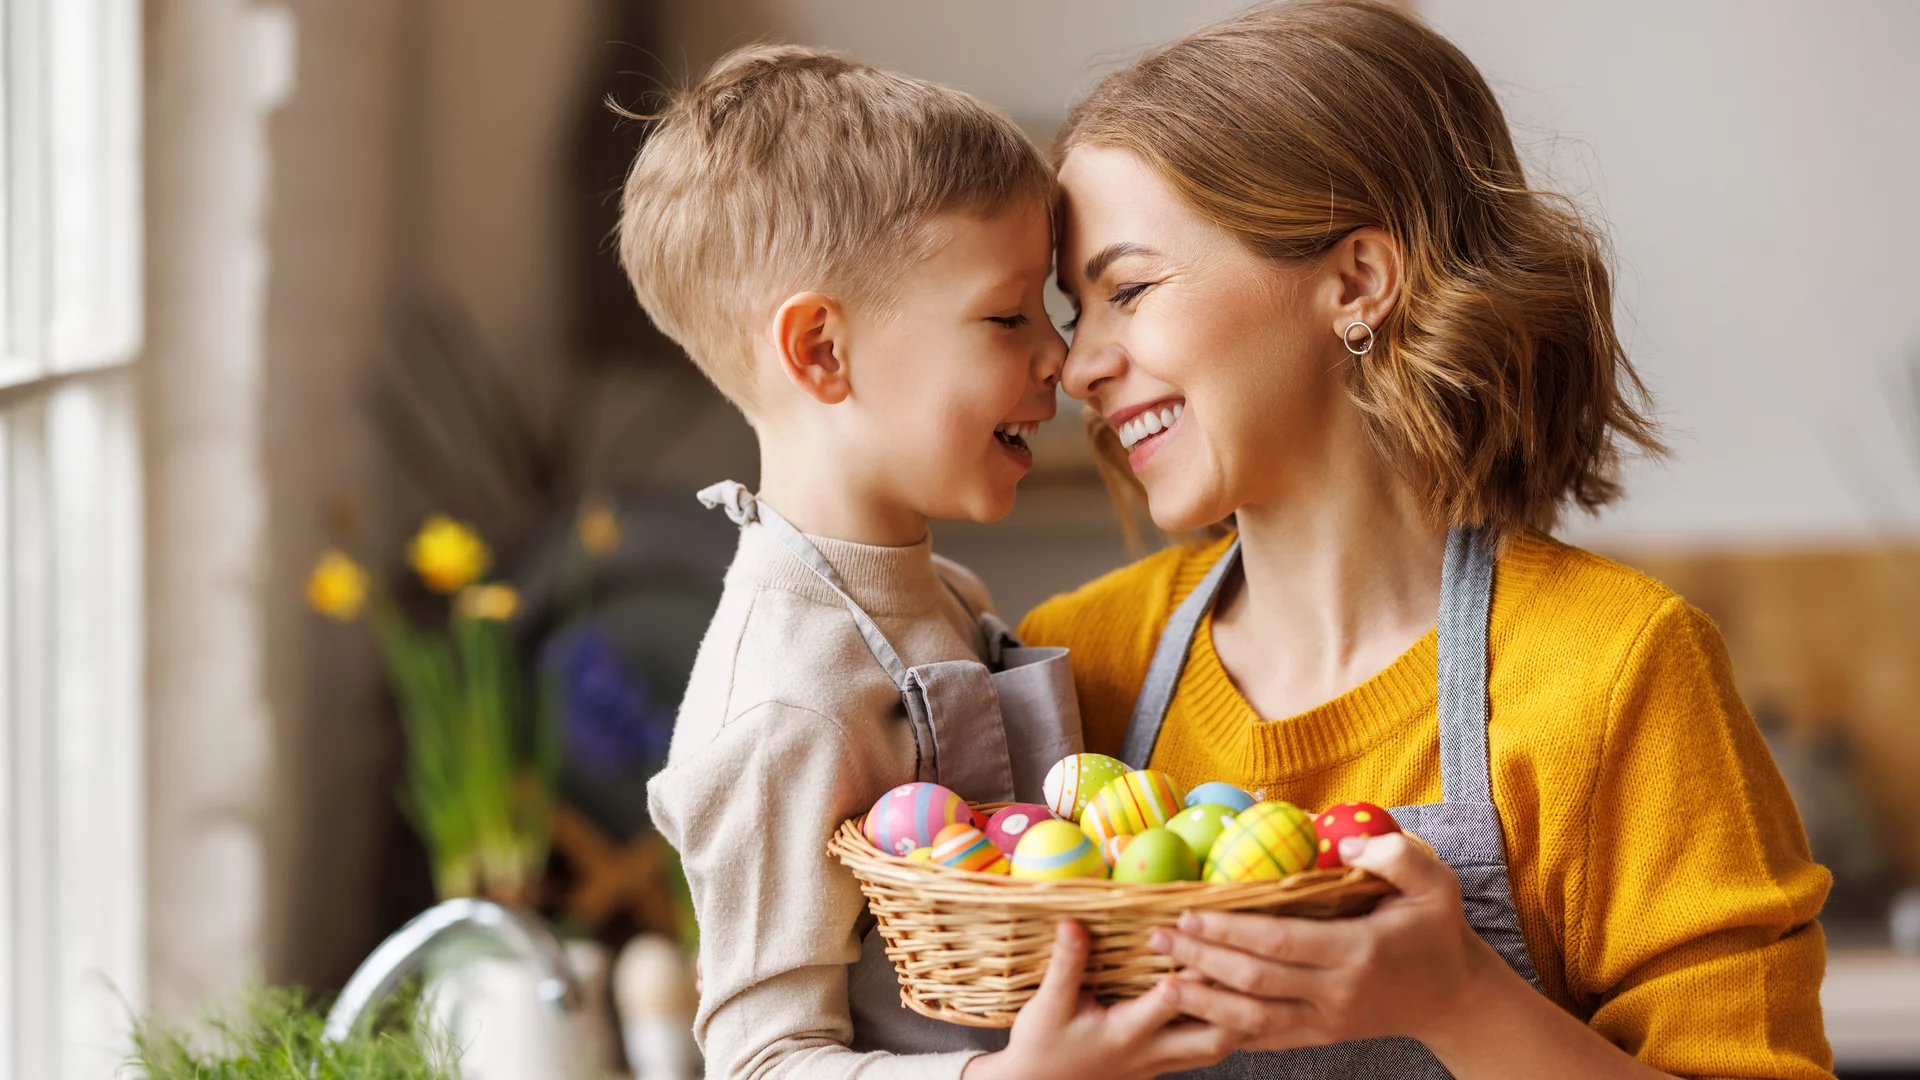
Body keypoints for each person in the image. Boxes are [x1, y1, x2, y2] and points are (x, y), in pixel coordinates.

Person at [1020, 1, 1834, 1077]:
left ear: (1357, 281)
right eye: (1076, 314)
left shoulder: (1615, 673)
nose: (1080, 368)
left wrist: (1461, 1001)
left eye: (1128, 290)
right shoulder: (1075, 662)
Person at [626, 45, 1236, 1080]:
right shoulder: (784, 699)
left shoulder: (948, 594)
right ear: (822, 351)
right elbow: (763, 1060)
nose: (1061, 357)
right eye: (1007, 316)